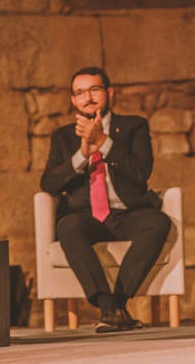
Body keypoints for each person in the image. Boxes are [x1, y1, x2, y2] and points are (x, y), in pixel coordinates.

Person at [40, 68, 170, 332]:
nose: (87, 98)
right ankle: (112, 309)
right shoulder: (63, 136)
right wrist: (82, 155)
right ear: (73, 100)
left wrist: (104, 142)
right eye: (79, 93)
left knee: (158, 222)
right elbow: (49, 184)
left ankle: (115, 305)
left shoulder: (134, 126)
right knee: (67, 226)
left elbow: (140, 173)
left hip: (127, 213)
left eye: (94, 90)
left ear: (109, 93)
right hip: (87, 216)